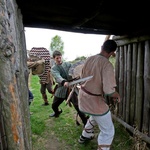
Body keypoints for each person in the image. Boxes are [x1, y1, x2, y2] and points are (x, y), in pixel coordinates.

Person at [78, 40, 121, 150]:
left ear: (102, 47)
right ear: (112, 52)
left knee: (95, 116)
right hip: (93, 100)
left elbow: (82, 77)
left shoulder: (89, 59)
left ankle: (85, 136)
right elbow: (108, 90)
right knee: (108, 130)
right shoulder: (107, 64)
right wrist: (116, 94)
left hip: (83, 96)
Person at [49, 50, 88, 126]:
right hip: (61, 89)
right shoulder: (54, 68)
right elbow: (57, 76)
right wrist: (63, 82)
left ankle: (85, 122)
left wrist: (77, 76)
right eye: (57, 58)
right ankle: (57, 112)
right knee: (54, 105)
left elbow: (74, 70)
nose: (59, 59)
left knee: (77, 105)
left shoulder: (68, 64)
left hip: (70, 88)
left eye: (60, 57)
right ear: (54, 59)